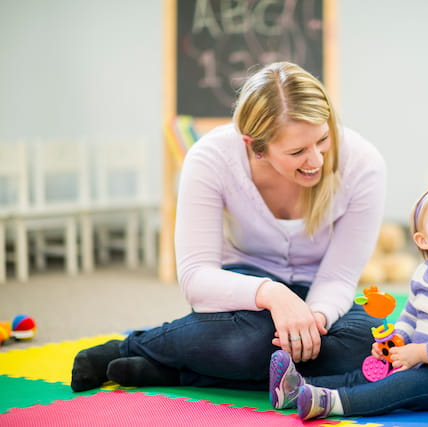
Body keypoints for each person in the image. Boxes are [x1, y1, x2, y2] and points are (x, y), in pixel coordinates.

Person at [70, 62, 386, 392]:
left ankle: (176, 373)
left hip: (321, 291)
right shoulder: (210, 157)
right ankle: (131, 346)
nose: (317, 160)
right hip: (245, 292)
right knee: (254, 339)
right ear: (254, 146)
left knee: (369, 347)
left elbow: (338, 278)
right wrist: (272, 294)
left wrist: (314, 320)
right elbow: (195, 277)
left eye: (323, 139)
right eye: (297, 151)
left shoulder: (363, 163)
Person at [269, 177, 428, 420]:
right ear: (423, 240)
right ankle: (297, 388)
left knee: (401, 386)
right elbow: (411, 315)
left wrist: (421, 353)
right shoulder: (424, 273)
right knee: (371, 371)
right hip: (422, 362)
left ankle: (332, 403)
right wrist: (398, 339)